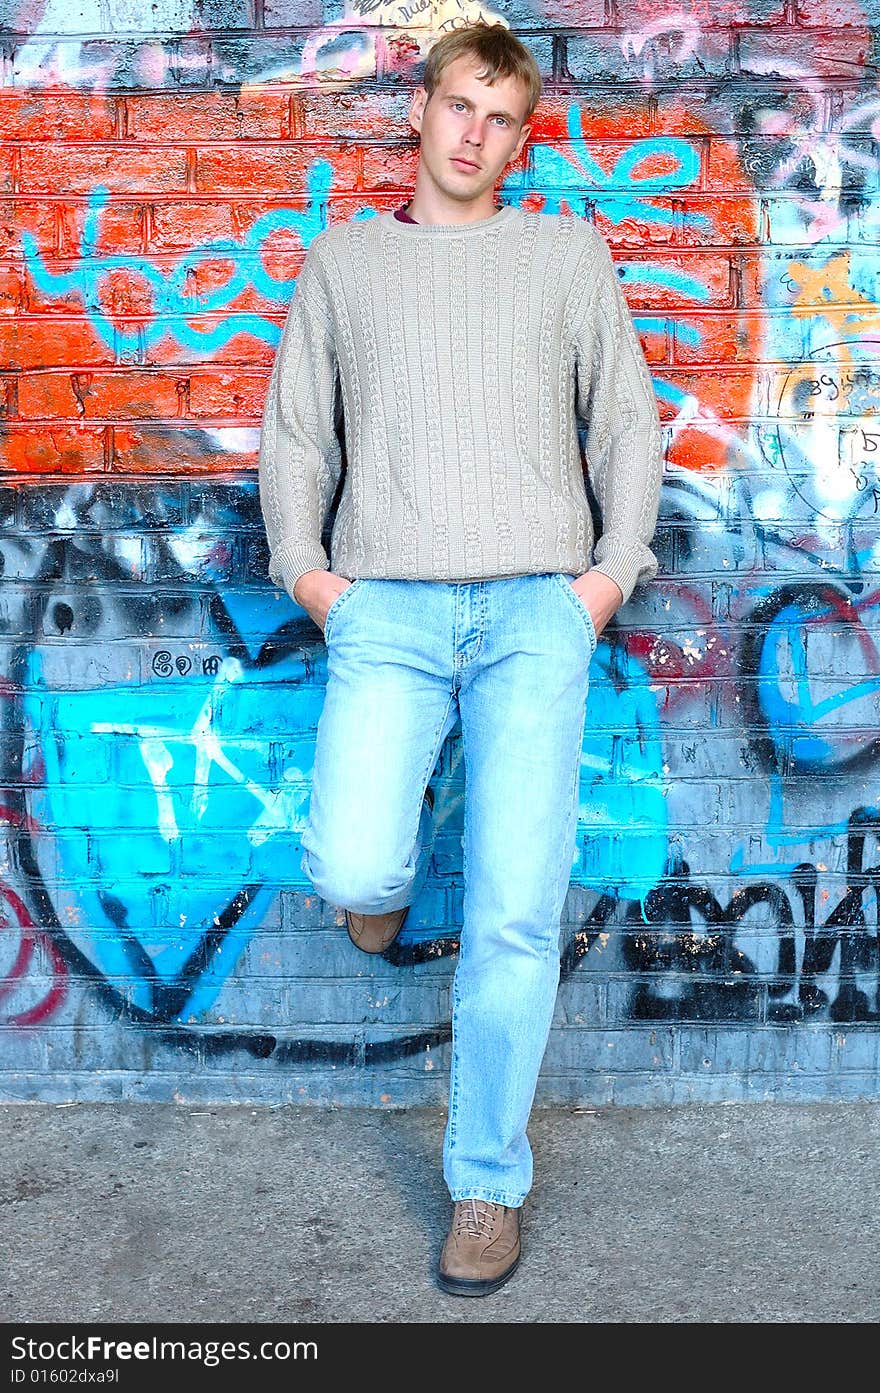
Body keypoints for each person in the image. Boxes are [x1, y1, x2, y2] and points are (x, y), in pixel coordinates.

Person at [258, 22, 663, 1297]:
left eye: (499, 116)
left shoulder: (562, 256)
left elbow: (629, 429)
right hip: (387, 614)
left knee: (511, 912)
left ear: (520, 136)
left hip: (536, 617)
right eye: (457, 107)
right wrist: (316, 579)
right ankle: (373, 902)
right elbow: (294, 441)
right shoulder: (346, 264)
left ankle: (484, 1185)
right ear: (420, 113)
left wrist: (601, 583)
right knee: (354, 859)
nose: (473, 133)